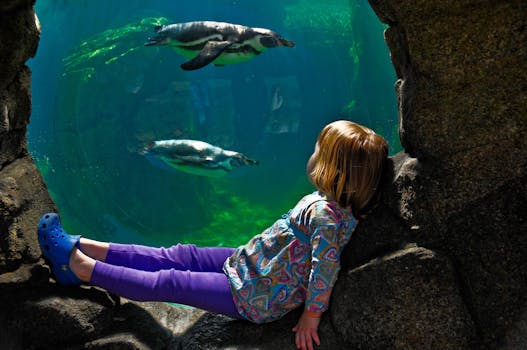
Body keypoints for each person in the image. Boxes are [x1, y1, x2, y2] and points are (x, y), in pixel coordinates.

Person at [37, 120, 388, 350]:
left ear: (332, 167)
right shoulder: (332, 202)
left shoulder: (328, 217)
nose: (311, 155)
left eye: (317, 150)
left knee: (170, 282)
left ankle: (81, 268)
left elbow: (325, 269)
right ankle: (87, 246)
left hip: (253, 293)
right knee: (178, 254)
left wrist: (312, 314)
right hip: (247, 262)